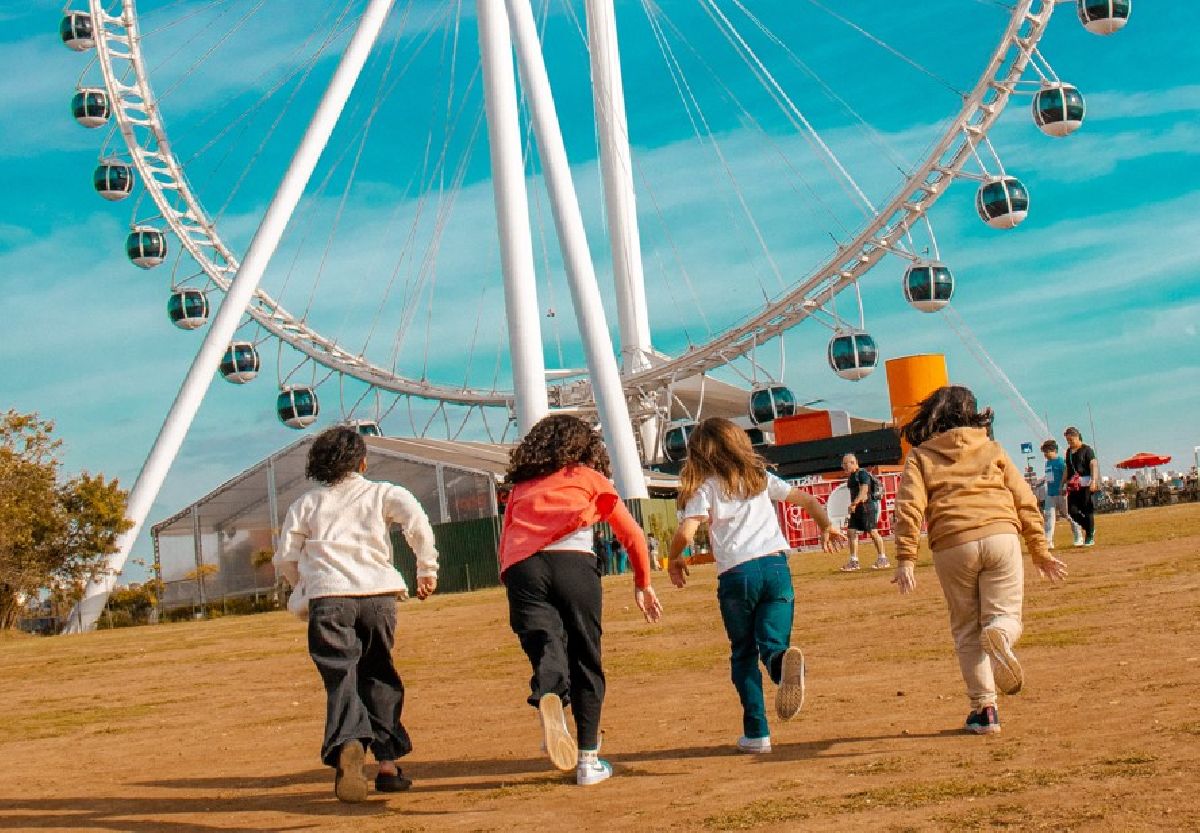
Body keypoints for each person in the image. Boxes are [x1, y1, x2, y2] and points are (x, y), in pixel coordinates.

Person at [274, 426, 439, 803]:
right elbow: (417, 523)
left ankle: (348, 744)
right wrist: (426, 569)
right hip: (377, 595)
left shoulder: (307, 504)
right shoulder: (382, 493)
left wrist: (303, 584)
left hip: (330, 598)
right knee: (379, 674)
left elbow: (286, 556)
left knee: (342, 678)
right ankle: (387, 765)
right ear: (362, 462)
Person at [891, 387, 1068, 736]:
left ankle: (985, 710)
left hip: (953, 544)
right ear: (973, 414)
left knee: (967, 630)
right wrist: (1040, 549)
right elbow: (1023, 499)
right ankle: (1001, 634)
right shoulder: (993, 449)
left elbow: (909, 508)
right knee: (1004, 616)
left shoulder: (922, 456)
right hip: (1001, 535)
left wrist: (905, 559)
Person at [499, 414, 663, 786]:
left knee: (546, 643)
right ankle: (588, 761)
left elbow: (505, 539)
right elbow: (632, 535)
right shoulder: (589, 479)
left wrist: (513, 578)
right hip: (574, 564)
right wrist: (642, 583)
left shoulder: (521, 488)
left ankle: (550, 693)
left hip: (523, 568)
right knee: (586, 657)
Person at [667, 418, 846, 753]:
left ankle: (757, 733)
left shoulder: (707, 489)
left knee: (744, 653)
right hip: (776, 568)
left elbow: (686, 531)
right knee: (772, 641)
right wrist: (827, 527)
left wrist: (674, 558)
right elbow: (807, 501)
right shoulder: (760, 479)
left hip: (738, 575)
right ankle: (781, 664)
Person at [839, 453, 889, 571]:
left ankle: (883, 558)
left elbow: (864, 492)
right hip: (857, 508)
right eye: (844, 464)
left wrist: (854, 503)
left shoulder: (862, 474)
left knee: (873, 532)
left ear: (854, 463)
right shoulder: (852, 476)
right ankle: (854, 561)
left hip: (866, 507)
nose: (845, 466)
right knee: (851, 532)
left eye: (847, 464)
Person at [1039, 439, 1080, 549]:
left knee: (1069, 515)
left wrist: (1064, 488)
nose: (1045, 455)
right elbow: (1049, 477)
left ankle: (1078, 536)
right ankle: (1048, 542)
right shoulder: (1047, 463)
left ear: (1053, 450)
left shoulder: (1061, 462)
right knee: (1049, 517)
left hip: (1062, 494)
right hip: (1050, 494)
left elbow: (1068, 475)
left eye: (1046, 452)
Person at [1063, 426, 1099, 547]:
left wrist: (1094, 480)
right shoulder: (1068, 452)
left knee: (1087, 509)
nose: (1070, 442)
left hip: (1086, 483)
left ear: (1077, 437)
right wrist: (1062, 483)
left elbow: (1093, 464)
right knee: (1072, 511)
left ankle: (1089, 537)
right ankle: (1089, 527)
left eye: (1071, 439)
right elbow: (1067, 468)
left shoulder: (1087, 450)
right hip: (1073, 484)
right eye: (1068, 440)